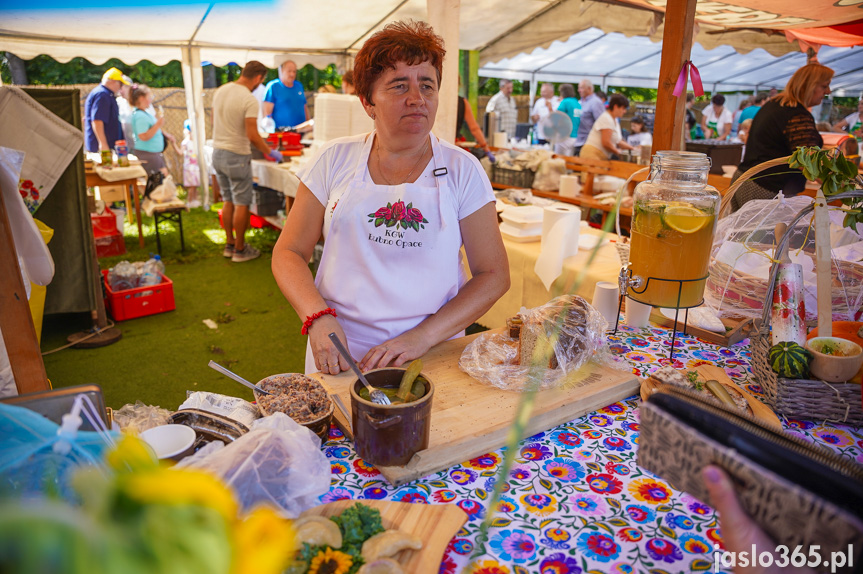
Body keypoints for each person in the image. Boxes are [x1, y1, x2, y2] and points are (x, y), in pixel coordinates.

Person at [272, 20, 509, 376]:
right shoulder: (334, 158)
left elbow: (493, 274)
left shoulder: (464, 170)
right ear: (368, 101)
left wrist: (421, 337)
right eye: (399, 86)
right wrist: (317, 317)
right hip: (340, 349)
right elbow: (289, 252)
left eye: (426, 85)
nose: (417, 98)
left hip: (431, 352)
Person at [732, 63, 833, 211]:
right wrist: (839, 185)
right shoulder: (796, 114)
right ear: (808, 85)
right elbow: (809, 162)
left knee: (740, 234)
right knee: (763, 235)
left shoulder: (775, 104)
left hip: (744, 180)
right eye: (824, 86)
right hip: (766, 189)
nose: (828, 92)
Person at [212, 60, 283, 263]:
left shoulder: (221, 91)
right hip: (236, 154)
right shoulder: (249, 99)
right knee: (242, 202)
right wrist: (270, 152)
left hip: (218, 152)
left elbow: (214, 122)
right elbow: (252, 134)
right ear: (259, 78)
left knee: (228, 200)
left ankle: (230, 244)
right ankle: (240, 250)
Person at [127, 84, 173, 175]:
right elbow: (143, 136)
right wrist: (158, 125)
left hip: (152, 153)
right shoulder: (140, 116)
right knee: (158, 182)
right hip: (148, 154)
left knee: (160, 180)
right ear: (141, 98)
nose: (151, 100)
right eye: (149, 97)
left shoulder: (144, 113)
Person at [84, 67, 129, 153]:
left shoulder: (107, 94)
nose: (120, 87)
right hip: (102, 149)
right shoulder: (102, 95)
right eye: (120, 84)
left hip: (109, 146)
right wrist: (103, 144)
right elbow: (97, 121)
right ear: (111, 81)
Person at [579, 93, 635, 160]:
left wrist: (633, 148)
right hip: (592, 155)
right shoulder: (606, 118)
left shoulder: (614, 120)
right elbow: (606, 142)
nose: (624, 111)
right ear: (616, 106)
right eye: (623, 108)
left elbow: (618, 141)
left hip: (600, 156)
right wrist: (618, 152)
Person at [263, 60, 310, 130]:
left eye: (294, 71)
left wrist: (308, 123)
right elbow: (267, 114)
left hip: (301, 131)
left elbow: (304, 107)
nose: (292, 74)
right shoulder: (273, 86)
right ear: (281, 70)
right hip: (282, 133)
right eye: (289, 71)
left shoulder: (299, 86)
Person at [573, 80, 605, 155]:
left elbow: (602, 123)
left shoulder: (596, 102)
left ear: (589, 89)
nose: (578, 90)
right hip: (577, 142)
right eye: (578, 88)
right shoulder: (580, 102)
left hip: (588, 143)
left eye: (581, 88)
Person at [554, 83, 581, 156]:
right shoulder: (577, 102)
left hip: (565, 136)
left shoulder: (565, 102)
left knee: (558, 161)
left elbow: (556, 117)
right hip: (575, 137)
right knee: (569, 162)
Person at [181, 120, 201, 207]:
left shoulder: (196, 142)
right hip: (189, 168)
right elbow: (181, 152)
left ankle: (195, 200)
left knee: (195, 186)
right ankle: (189, 202)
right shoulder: (185, 143)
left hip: (196, 167)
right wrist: (174, 144)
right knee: (192, 186)